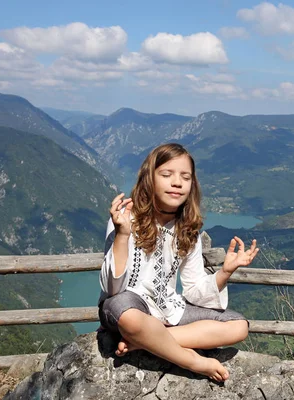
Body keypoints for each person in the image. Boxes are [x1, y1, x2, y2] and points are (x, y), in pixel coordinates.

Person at [98, 143, 258, 382]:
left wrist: (225, 272)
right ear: (149, 179)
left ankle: (144, 341)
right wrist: (122, 235)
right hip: (128, 306)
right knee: (129, 316)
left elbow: (193, 290)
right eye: (166, 175)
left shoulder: (187, 229)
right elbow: (112, 289)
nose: (177, 182)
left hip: (167, 308)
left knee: (238, 326)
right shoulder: (126, 216)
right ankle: (193, 361)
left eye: (186, 177)